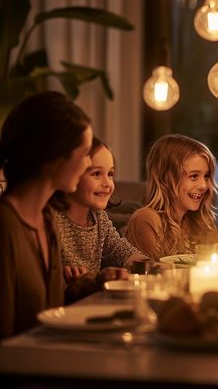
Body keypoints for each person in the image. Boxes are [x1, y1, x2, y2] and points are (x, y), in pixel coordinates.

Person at [0, 92, 127, 339]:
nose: (85, 164)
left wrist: (99, 281)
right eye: (82, 155)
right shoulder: (6, 228)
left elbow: (51, 308)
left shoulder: (46, 220)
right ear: (53, 160)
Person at [51, 137, 149, 283]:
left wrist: (152, 265)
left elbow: (120, 251)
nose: (107, 183)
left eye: (110, 174)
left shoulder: (98, 217)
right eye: (96, 174)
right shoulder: (53, 221)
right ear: (71, 174)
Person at [124, 134, 218, 260]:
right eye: (194, 176)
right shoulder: (145, 219)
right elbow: (156, 276)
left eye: (206, 176)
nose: (203, 185)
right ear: (167, 179)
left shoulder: (203, 221)